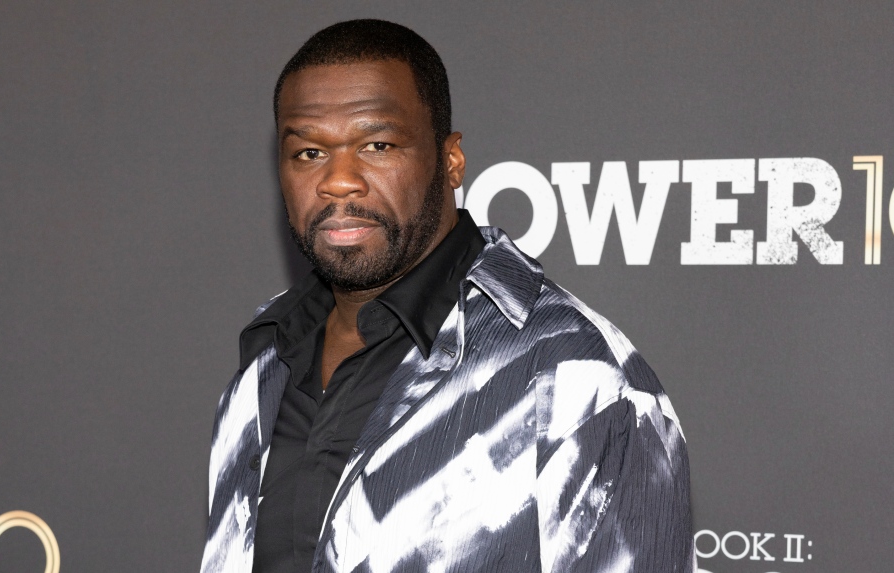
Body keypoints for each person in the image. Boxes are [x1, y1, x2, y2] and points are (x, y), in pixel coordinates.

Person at [201, 19, 693, 573]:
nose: (338, 180)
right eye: (310, 153)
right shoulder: (266, 359)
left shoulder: (576, 375)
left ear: (452, 160)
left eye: (377, 144)